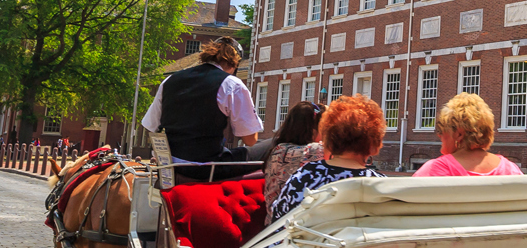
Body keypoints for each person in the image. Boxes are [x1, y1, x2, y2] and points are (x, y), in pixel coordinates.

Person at [140, 37, 270, 180]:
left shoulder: (170, 80)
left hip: (170, 165)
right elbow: (250, 139)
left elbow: (151, 125)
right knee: (273, 144)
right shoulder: (231, 84)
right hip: (207, 169)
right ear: (234, 63)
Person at [268, 96, 387, 220]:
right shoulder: (383, 186)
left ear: (328, 141)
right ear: (374, 147)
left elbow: (279, 223)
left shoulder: (305, 176)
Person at [413, 93, 522, 177]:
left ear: (459, 134)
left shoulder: (435, 170)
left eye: (441, 130)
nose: (439, 135)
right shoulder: (510, 169)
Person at [261, 102, 325, 219]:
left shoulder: (278, 149)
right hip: (289, 226)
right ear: (312, 130)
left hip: (273, 222)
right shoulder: (312, 151)